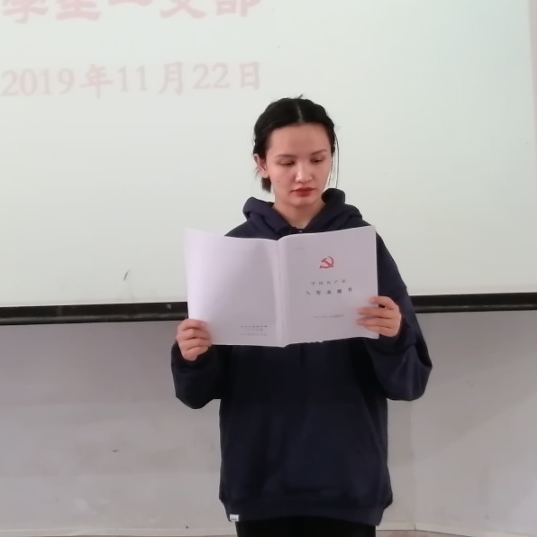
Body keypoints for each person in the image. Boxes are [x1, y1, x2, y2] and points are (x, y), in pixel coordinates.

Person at [172, 97, 432, 537]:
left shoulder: (361, 244)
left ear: (332, 158)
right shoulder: (232, 252)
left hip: (346, 478)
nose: (303, 174)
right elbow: (196, 393)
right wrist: (193, 356)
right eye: (287, 161)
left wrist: (392, 336)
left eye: (317, 159)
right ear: (261, 163)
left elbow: (410, 382)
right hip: (260, 478)